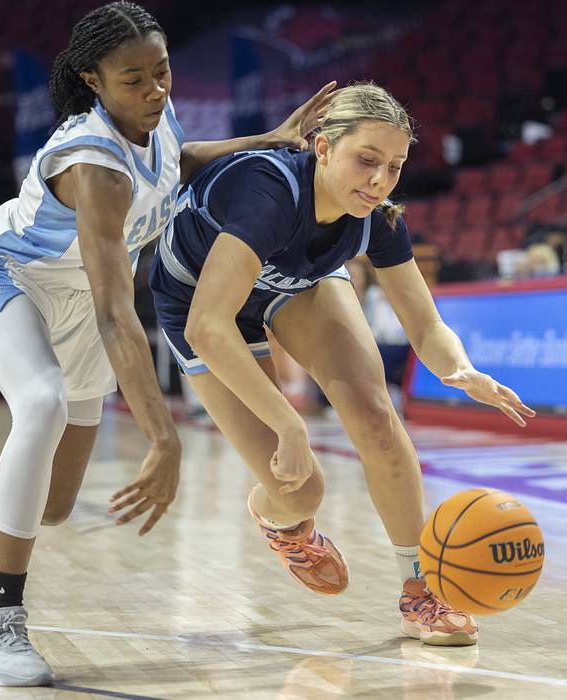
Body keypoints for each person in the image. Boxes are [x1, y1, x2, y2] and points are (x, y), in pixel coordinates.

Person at [0, 1, 335, 687]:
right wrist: (164, 437)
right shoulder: (94, 166)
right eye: (133, 80)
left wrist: (269, 137)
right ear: (93, 79)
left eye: (162, 73)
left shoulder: (154, 120)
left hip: (80, 304)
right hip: (9, 279)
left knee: (50, 505)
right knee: (42, 403)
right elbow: (119, 313)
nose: (154, 91)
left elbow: (179, 163)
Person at [149, 82, 536, 647]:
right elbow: (209, 325)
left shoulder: (376, 214)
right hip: (200, 303)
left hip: (292, 283)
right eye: (367, 160)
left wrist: (458, 370)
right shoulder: (267, 191)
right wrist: (289, 422)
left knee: (377, 417)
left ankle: (421, 591)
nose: (379, 180)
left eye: (395, 166)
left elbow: (425, 325)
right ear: (322, 146)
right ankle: (280, 519)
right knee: (299, 488)